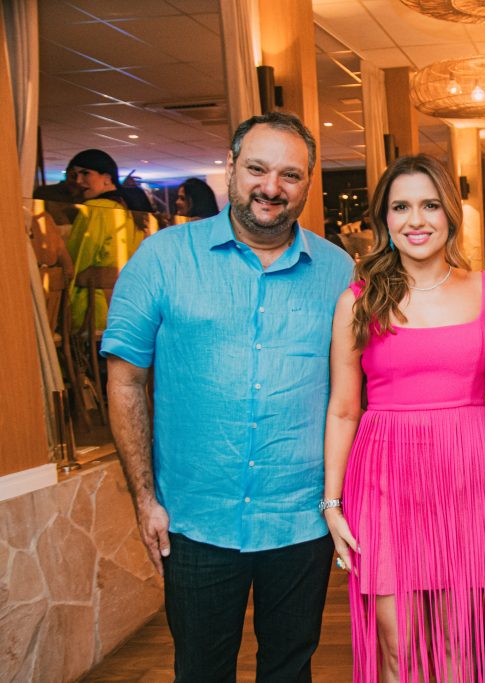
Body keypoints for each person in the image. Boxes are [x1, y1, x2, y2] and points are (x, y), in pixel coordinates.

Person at [101, 111, 354, 681]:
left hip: (300, 520)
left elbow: (353, 393)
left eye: (290, 175)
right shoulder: (162, 259)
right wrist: (145, 500)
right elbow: (125, 381)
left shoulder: (339, 270)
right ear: (231, 168)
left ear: (309, 183)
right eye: (258, 169)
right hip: (196, 520)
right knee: (201, 670)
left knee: (289, 670)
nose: (271, 188)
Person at [323, 154, 485, 682]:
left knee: (458, 647)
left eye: (428, 205)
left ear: (450, 213)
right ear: (384, 219)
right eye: (400, 207)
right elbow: (342, 408)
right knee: (397, 648)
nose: (415, 220)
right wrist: (333, 504)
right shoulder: (358, 301)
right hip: (383, 482)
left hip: (467, 481)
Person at [65, 149, 146, 332]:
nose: (79, 181)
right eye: (75, 175)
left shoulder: (95, 209)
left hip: (92, 310)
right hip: (128, 310)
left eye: (86, 173)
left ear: (107, 177)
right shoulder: (131, 211)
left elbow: (75, 263)